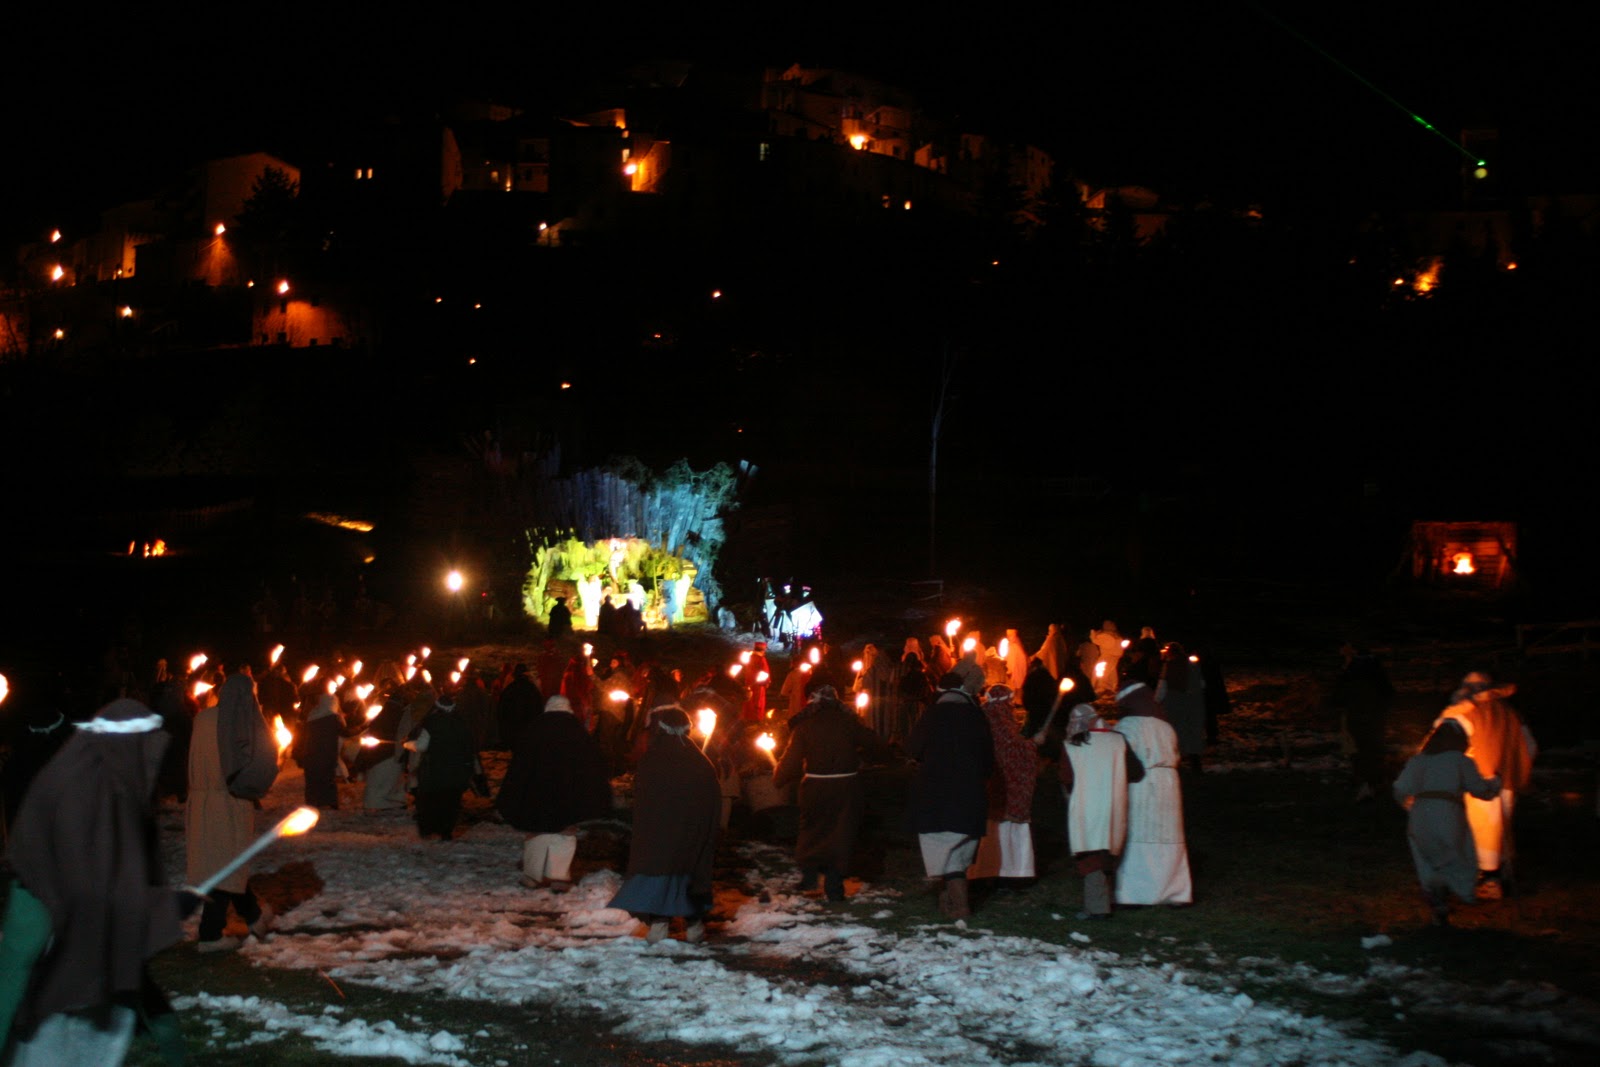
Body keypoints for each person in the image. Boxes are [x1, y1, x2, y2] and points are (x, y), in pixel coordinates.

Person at [3, 698, 190, 1065]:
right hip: (38, 890)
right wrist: (157, 905)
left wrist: (157, 901)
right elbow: (84, 876)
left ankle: (176, 1052)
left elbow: (126, 863)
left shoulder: (119, 779)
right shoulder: (77, 784)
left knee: (128, 965)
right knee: (13, 978)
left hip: (86, 895)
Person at [607, 707, 722, 943]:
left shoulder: (652, 760)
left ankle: (659, 924)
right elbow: (712, 801)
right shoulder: (701, 761)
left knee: (661, 873)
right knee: (690, 874)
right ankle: (694, 925)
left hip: (659, 833)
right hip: (692, 833)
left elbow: (643, 799)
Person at [187, 666, 279, 953]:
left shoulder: (203, 718)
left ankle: (253, 916)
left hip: (201, 800)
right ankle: (210, 934)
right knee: (225, 864)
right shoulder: (242, 723)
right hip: (229, 800)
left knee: (224, 861)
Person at [773, 685, 887, 901]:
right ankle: (834, 886)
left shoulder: (804, 726)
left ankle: (809, 878)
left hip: (814, 788)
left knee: (812, 830)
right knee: (840, 833)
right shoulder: (848, 722)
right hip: (846, 788)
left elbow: (792, 759)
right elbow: (875, 744)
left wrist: (779, 777)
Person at [1433, 672, 1535, 898]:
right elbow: (1529, 745)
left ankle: (1488, 882)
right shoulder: (1509, 712)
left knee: (1480, 834)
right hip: (1505, 782)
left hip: (1477, 784)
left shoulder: (1463, 713)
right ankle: (1502, 874)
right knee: (1500, 832)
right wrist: (1517, 772)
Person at [495, 695, 612, 891]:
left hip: (537, 794)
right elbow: (593, 764)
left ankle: (533, 876)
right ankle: (559, 877)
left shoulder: (534, 730)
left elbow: (520, 764)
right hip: (568, 795)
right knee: (564, 835)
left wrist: (513, 792)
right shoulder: (577, 731)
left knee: (537, 833)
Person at [1393, 719, 1502, 925]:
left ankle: (1437, 899)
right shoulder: (1460, 761)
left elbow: (1400, 788)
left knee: (1426, 857)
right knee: (1456, 855)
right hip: (1448, 813)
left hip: (1420, 814)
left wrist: (1408, 805)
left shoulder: (1418, 761)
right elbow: (1480, 790)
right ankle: (1460, 893)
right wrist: (1496, 783)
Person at [906, 674, 994, 919]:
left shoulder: (932, 714)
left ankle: (954, 902)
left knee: (942, 850)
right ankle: (956, 903)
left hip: (936, 795)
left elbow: (912, 747)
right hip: (969, 793)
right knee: (958, 852)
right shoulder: (976, 714)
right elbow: (988, 756)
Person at [1112, 680, 1192, 906]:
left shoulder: (1127, 726)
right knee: (1168, 835)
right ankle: (1175, 891)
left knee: (1140, 833)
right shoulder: (1165, 726)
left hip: (1142, 785)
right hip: (1169, 784)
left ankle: (1138, 893)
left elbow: (1122, 759)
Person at [1061, 703, 1143, 918]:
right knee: (1107, 852)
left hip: (1085, 806)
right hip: (1113, 804)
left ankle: (1098, 908)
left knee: (1090, 855)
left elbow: (1066, 778)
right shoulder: (1118, 740)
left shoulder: (1071, 745)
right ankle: (1103, 902)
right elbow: (1136, 772)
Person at [967, 686, 1038, 887]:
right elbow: (1012, 750)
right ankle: (1013, 871)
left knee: (991, 830)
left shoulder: (981, 717)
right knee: (1007, 831)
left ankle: (986, 870)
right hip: (1005, 787)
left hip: (988, 783)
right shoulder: (1001, 721)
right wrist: (1033, 745)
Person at [404, 692, 477, 841]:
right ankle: (446, 831)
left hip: (435, 771)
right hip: (457, 771)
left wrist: (408, 744)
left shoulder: (432, 722)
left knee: (432, 801)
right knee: (451, 802)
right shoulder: (462, 723)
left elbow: (421, 746)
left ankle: (431, 830)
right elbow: (469, 746)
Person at [1331, 643, 1394, 802]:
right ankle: (1374, 782)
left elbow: (1339, 694)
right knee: (1373, 748)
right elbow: (1388, 693)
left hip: (1358, 715)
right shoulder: (1376, 669)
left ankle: (1366, 782)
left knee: (1361, 749)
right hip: (1375, 716)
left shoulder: (1352, 670)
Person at [1156, 643, 1207, 772]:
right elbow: (1201, 683)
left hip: (1175, 700)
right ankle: (1195, 761)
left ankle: (1177, 760)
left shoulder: (1169, 665)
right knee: (1193, 730)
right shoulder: (1193, 664)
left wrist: (1156, 701)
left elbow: (1162, 685)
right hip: (1193, 701)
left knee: (1177, 729)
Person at [296, 683, 345, 809]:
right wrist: (363, 728)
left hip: (311, 753)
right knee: (327, 777)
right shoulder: (333, 718)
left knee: (313, 777)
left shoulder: (312, 716)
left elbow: (302, 736)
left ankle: (312, 801)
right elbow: (345, 732)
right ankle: (329, 801)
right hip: (327, 753)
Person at [494, 664, 543, 751]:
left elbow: (501, 712)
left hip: (512, 731)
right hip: (529, 731)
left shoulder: (509, 690)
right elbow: (539, 710)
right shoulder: (533, 690)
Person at [1091, 620, 1125, 697]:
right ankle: (1111, 687)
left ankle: (1100, 689)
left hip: (1106, 657)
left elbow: (1095, 641)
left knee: (1101, 673)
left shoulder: (1105, 636)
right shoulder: (1117, 636)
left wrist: (1093, 634)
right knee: (1111, 672)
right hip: (1115, 658)